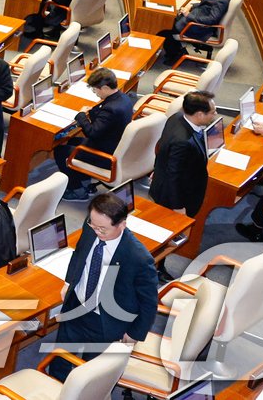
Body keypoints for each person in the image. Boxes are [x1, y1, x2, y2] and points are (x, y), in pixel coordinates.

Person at [47, 192, 158, 380]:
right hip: (76, 306)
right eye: (93, 225)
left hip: (107, 320)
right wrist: (69, 282)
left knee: (92, 375)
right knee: (60, 360)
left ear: (122, 224)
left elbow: (149, 302)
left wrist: (134, 333)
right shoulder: (91, 225)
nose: (96, 232)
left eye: (103, 229)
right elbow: (79, 254)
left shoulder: (138, 257)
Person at [55, 69, 134, 201]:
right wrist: (92, 112)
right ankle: (84, 178)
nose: (95, 93)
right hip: (113, 142)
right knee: (71, 141)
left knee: (60, 150)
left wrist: (81, 116)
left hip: (105, 153)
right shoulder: (124, 98)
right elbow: (103, 122)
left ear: (104, 88)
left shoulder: (111, 109)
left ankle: (77, 190)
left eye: (95, 90)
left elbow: (92, 133)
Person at [149, 90, 215, 217]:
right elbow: (174, 176)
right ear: (200, 115)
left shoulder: (176, 117)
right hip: (177, 196)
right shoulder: (183, 142)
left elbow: (163, 147)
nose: (215, 115)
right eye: (212, 112)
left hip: (171, 178)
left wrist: (159, 168)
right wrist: (178, 206)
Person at [158, 0, 235, 62]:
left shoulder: (223, 0)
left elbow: (211, 19)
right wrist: (192, 6)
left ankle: (176, 55)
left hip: (199, 27)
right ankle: (178, 50)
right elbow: (206, 5)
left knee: (163, 29)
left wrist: (188, 15)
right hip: (194, 19)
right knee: (166, 21)